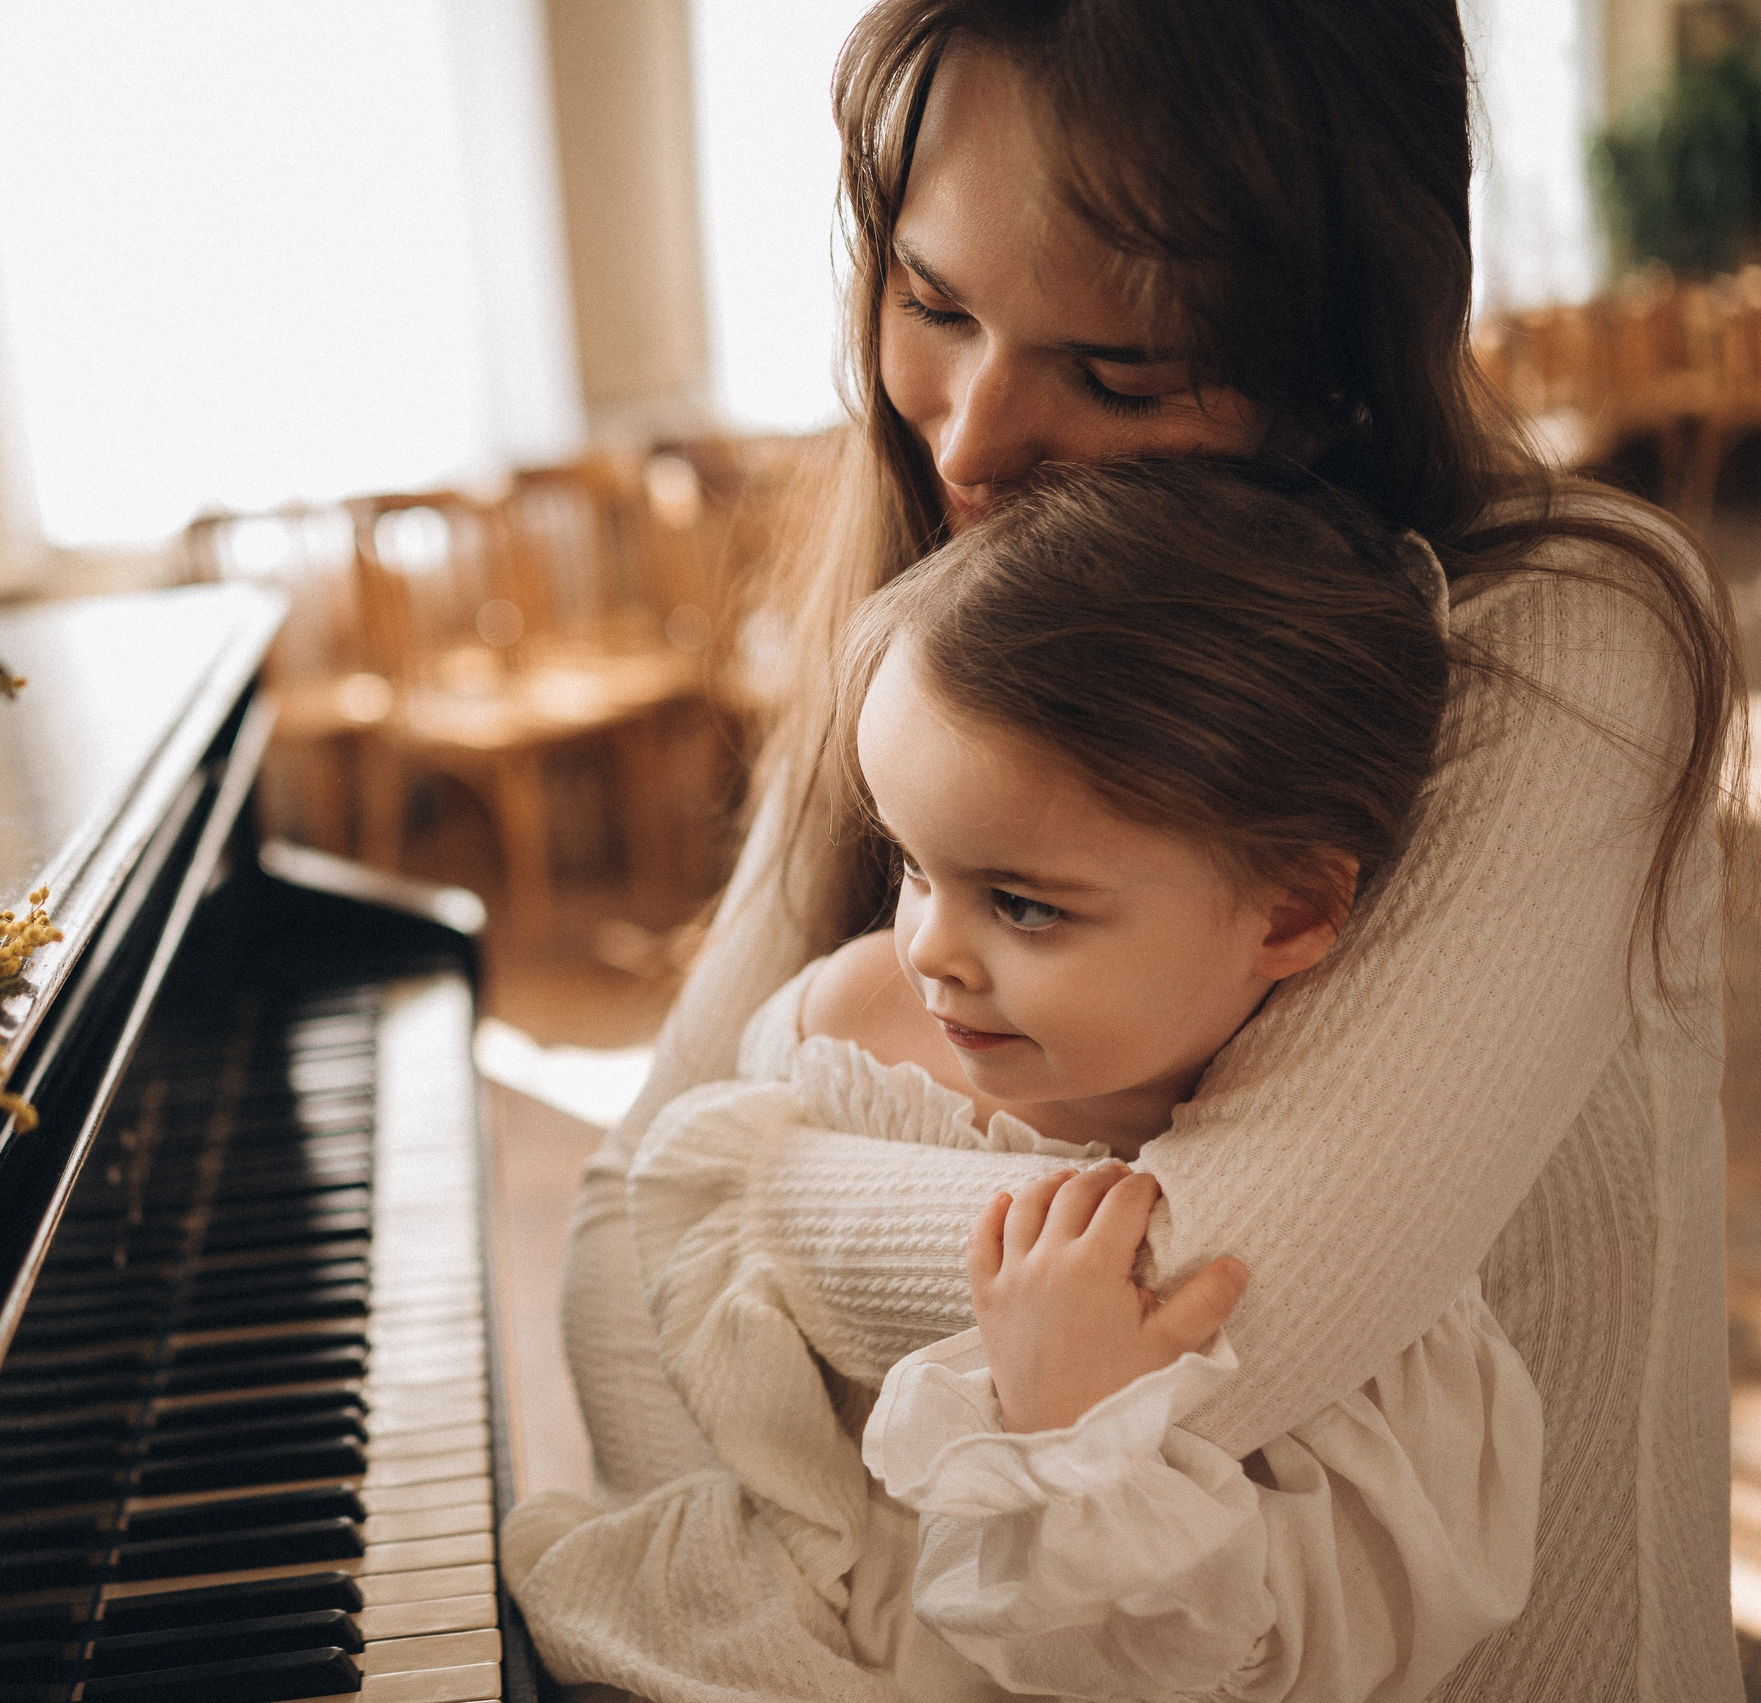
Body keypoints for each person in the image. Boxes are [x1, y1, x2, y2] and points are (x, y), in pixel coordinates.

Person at [551, 3, 1745, 1698]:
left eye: (1116, 372)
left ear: (1335, 356)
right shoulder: (931, 638)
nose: (965, 441)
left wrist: (735, 1197)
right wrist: (784, 1627)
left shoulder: (1563, 631)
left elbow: (1210, 1306)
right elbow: (606, 1219)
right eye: (932, 304)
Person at [510, 457, 1543, 1702]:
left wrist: (1072, 1441)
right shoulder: (846, 1027)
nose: (930, 948)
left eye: (1022, 904)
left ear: (1291, 909)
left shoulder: (1336, 1233)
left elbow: (1279, 1659)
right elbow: (685, 1333)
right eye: (907, 861)